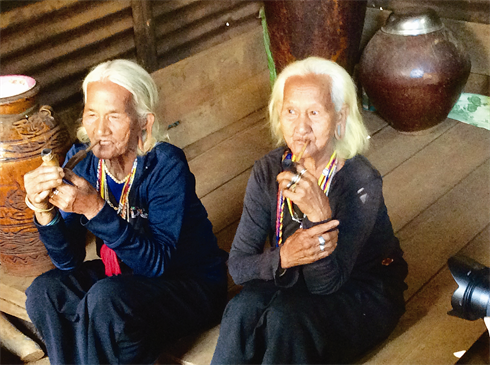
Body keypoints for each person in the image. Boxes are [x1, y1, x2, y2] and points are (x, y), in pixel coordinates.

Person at [23, 59, 228, 365]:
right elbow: (68, 260)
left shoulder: (165, 165)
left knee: (106, 300)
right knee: (46, 292)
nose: (99, 129)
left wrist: (95, 208)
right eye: (91, 114)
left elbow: (157, 264)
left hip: (189, 285)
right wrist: (43, 210)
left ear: (143, 122)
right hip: (121, 278)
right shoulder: (85, 163)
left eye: (114, 116)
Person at [210, 57, 408, 365]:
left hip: (362, 289)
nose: (301, 127)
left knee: (286, 319)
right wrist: (283, 258)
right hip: (293, 276)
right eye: (290, 111)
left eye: (314, 113)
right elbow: (238, 267)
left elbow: (326, 284)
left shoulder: (360, 181)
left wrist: (320, 219)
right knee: (241, 310)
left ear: (339, 117)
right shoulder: (268, 171)